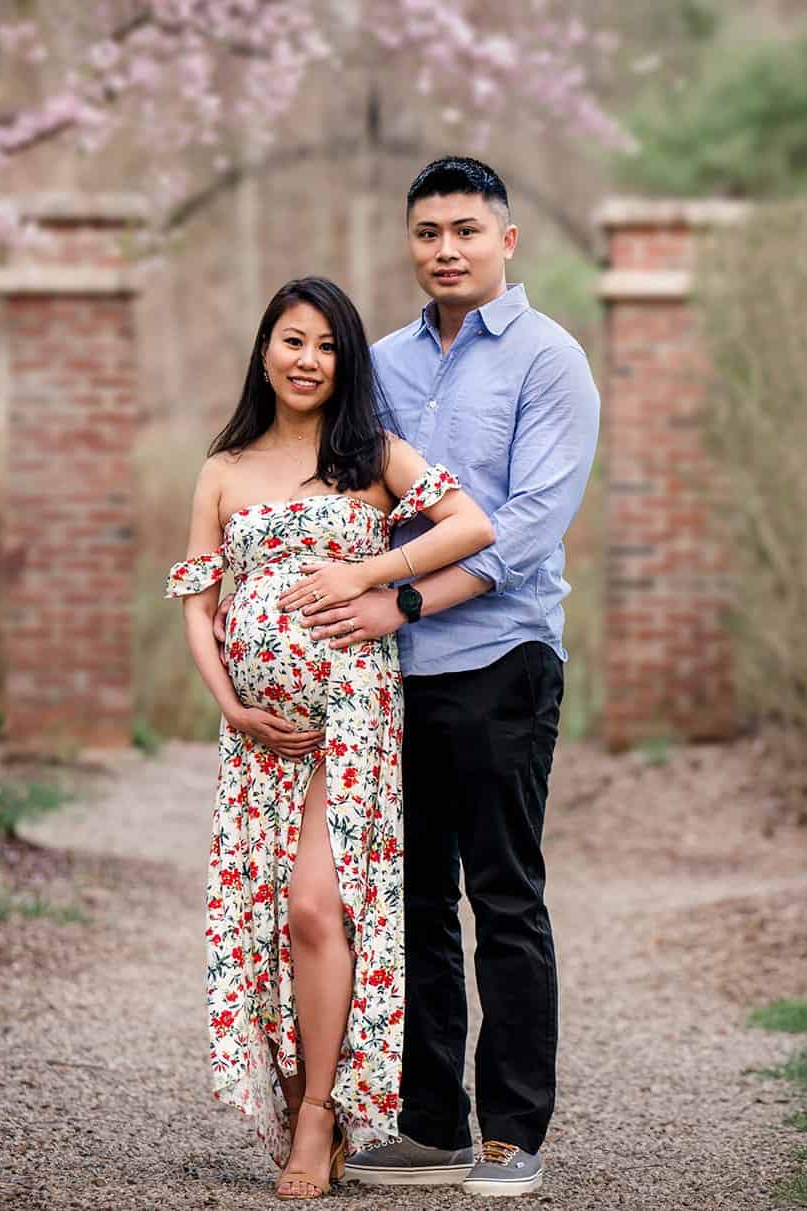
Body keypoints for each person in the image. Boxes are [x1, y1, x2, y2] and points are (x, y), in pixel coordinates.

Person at [288, 157, 599, 1199]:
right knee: (407, 899)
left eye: (464, 229)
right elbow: (342, 496)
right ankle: (431, 1123)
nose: (444, 249)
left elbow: (524, 529)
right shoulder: (378, 365)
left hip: (502, 660)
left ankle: (513, 1132)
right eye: (426, 233)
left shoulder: (550, 362)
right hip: (389, 679)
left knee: (501, 894)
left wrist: (401, 596)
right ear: (408, 245)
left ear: (506, 241)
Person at [169, 275, 496, 1201]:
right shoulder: (223, 468)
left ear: (345, 362)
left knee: (317, 907)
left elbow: (470, 524)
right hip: (258, 736)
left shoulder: (371, 455)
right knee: (270, 919)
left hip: (351, 723)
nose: (308, 360)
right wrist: (231, 705)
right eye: (293, 341)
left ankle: (321, 1112)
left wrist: (372, 569)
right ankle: (291, 1088)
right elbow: (198, 605)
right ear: (265, 350)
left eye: (327, 346)